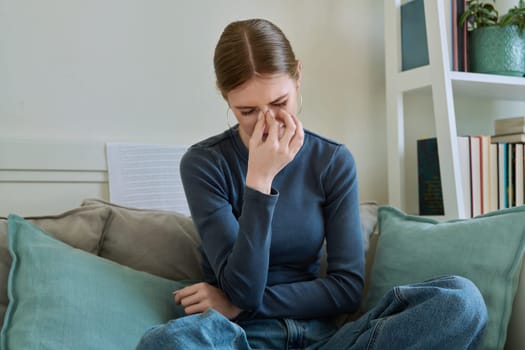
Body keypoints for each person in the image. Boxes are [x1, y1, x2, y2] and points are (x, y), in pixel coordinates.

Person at [136, 18, 487, 349]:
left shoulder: (332, 161)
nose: (267, 123)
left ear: (298, 76)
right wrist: (259, 181)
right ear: (225, 96)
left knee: (461, 301)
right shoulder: (204, 164)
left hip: (325, 339)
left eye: (279, 102)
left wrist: (237, 304)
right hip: (239, 338)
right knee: (164, 342)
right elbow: (242, 288)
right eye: (247, 112)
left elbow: (347, 289)